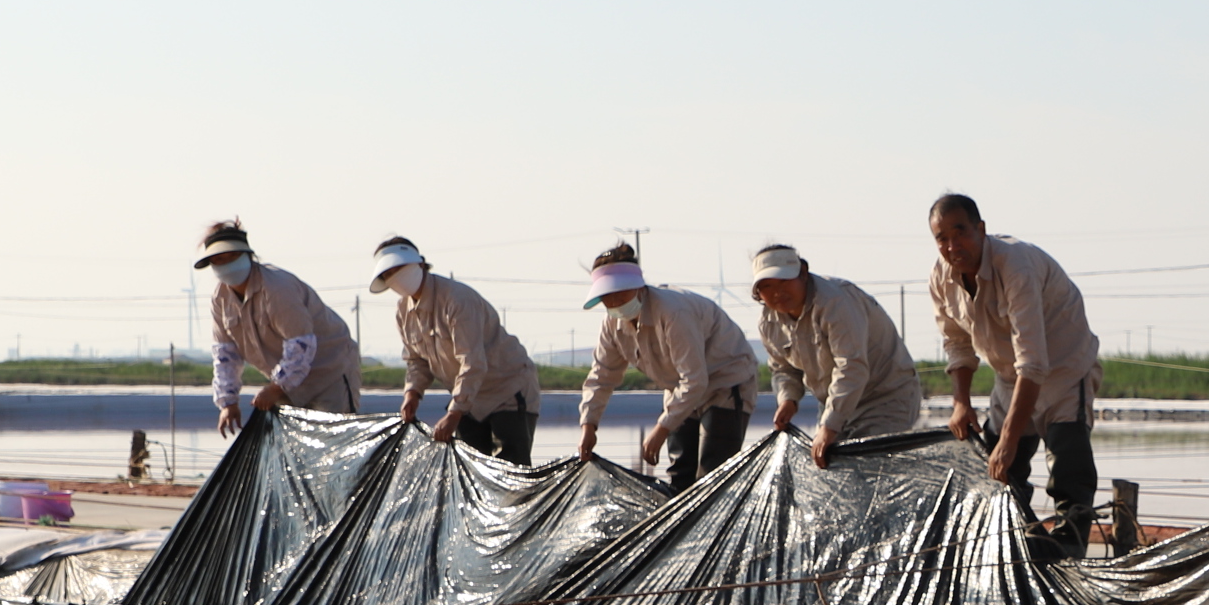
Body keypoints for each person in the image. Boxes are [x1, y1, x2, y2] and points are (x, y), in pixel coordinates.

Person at [927, 193, 1101, 559]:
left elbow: (1034, 361)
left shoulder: (1015, 266)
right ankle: (1019, 546)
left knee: (1068, 463)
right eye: (942, 238)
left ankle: (1069, 554)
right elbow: (957, 344)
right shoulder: (941, 277)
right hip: (1010, 377)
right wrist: (961, 404)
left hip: (1064, 367)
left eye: (961, 233)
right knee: (998, 470)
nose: (953, 246)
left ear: (981, 229)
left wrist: (1009, 439)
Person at [573, 242, 760, 491]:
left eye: (622, 293)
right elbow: (601, 376)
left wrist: (661, 429)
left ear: (639, 287)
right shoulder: (612, 325)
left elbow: (695, 379)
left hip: (725, 381)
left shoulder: (673, 312)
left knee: (713, 475)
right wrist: (589, 425)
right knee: (680, 475)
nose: (616, 302)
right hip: (679, 389)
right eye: (608, 297)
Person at [748, 242, 924, 464]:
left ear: (803, 273)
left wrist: (829, 426)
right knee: (830, 468)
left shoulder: (835, 302)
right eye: (767, 286)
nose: (777, 292)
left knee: (873, 467)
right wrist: (788, 399)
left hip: (884, 397)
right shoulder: (769, 322)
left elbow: (851, 366)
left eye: (784, 281)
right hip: (834, 402)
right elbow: (783, 369)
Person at [373, 236, 542, 464]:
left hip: (507, 391)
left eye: (399, 269)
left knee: (510, 468)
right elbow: (416, 361)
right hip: (468, 400)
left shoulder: (457, 300)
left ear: (420, 264)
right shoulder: (403, 312)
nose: (395, 277)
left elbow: (473, 362)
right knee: (469, 468)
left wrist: (454, 413)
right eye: (388, 274)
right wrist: (412, 393)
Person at [195, 219, 361, 433]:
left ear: (247, 256)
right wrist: (228, 402)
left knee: (334, 438)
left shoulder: (277, 288)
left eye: (233, 256)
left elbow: (300, 344)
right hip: (287, 383)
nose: (227, 264)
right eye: (219, 260)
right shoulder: (221, 299)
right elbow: (225, 354)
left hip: (329, 370)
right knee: (295, 447)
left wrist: (276, 388)